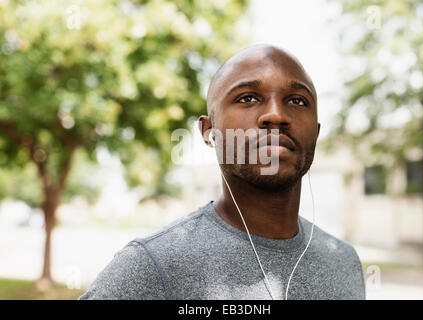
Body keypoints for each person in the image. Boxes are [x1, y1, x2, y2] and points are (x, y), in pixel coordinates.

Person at [79, 44, 366, 300]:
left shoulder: (343, 262)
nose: (276, 115)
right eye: (248, 98)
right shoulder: (153, 266)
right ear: (208, 131)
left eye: (297, 101)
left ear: (315, 132)